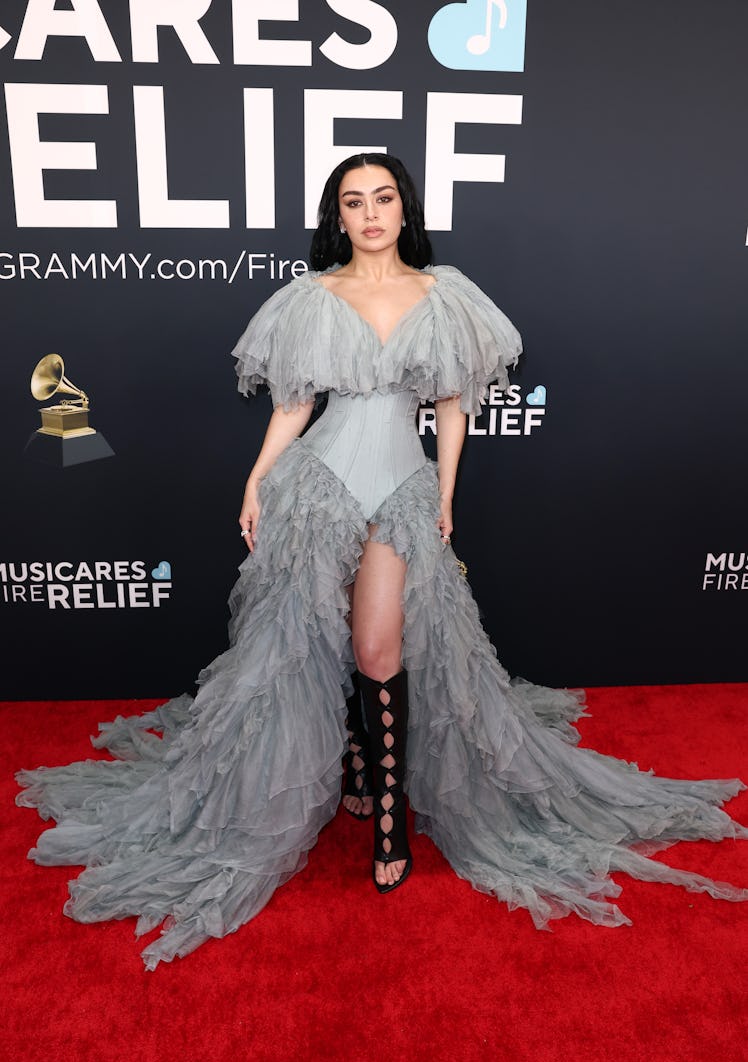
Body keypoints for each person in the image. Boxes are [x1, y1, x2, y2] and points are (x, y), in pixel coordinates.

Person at [16, 154, 748, 969]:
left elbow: (453, 407)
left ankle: (390, 805)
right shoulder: (310, 297)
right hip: (318, 483)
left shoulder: (446, 294)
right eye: (353, 201)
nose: (370, 213)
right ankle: (359, 762)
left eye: (384, 198)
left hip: (402, 486)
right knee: (304, 643)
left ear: (405, 208)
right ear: (339, 215)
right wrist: (258, 480)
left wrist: (444, 495)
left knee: (378, 649)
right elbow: (294, 406)